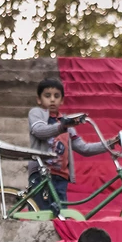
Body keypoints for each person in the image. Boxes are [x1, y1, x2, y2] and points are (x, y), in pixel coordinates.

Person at [26, 75, 107, 216]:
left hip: (60, 176)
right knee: (40, 214)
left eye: (56, 96)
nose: (52, 99)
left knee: (60, 215)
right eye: (47, 95)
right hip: (41, 173)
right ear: (39, 99)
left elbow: (84, 148)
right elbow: (39, 131)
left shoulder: (66, 123)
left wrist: (109, 144)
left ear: (62, 100)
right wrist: (62, 126)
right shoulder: (36, 113)